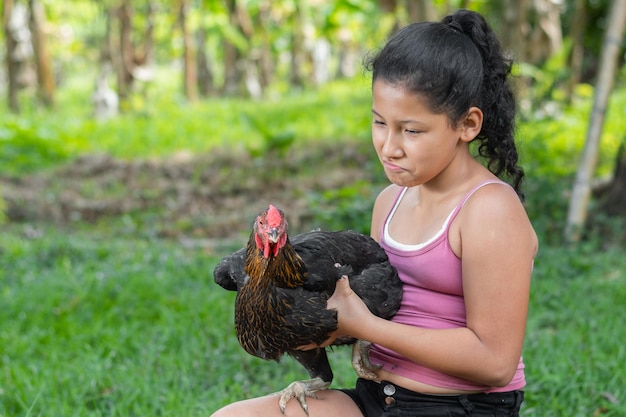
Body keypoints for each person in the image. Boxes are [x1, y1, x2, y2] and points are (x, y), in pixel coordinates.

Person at [212, 8, 538, 417]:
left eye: (412, 130)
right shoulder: (391, 201)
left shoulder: (489, 210)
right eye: (380, 123)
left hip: (459, 407)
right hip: (376, 400)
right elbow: (362, 307)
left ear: (468, 124)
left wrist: (364, 327)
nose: (389, 146)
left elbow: (496, 363)